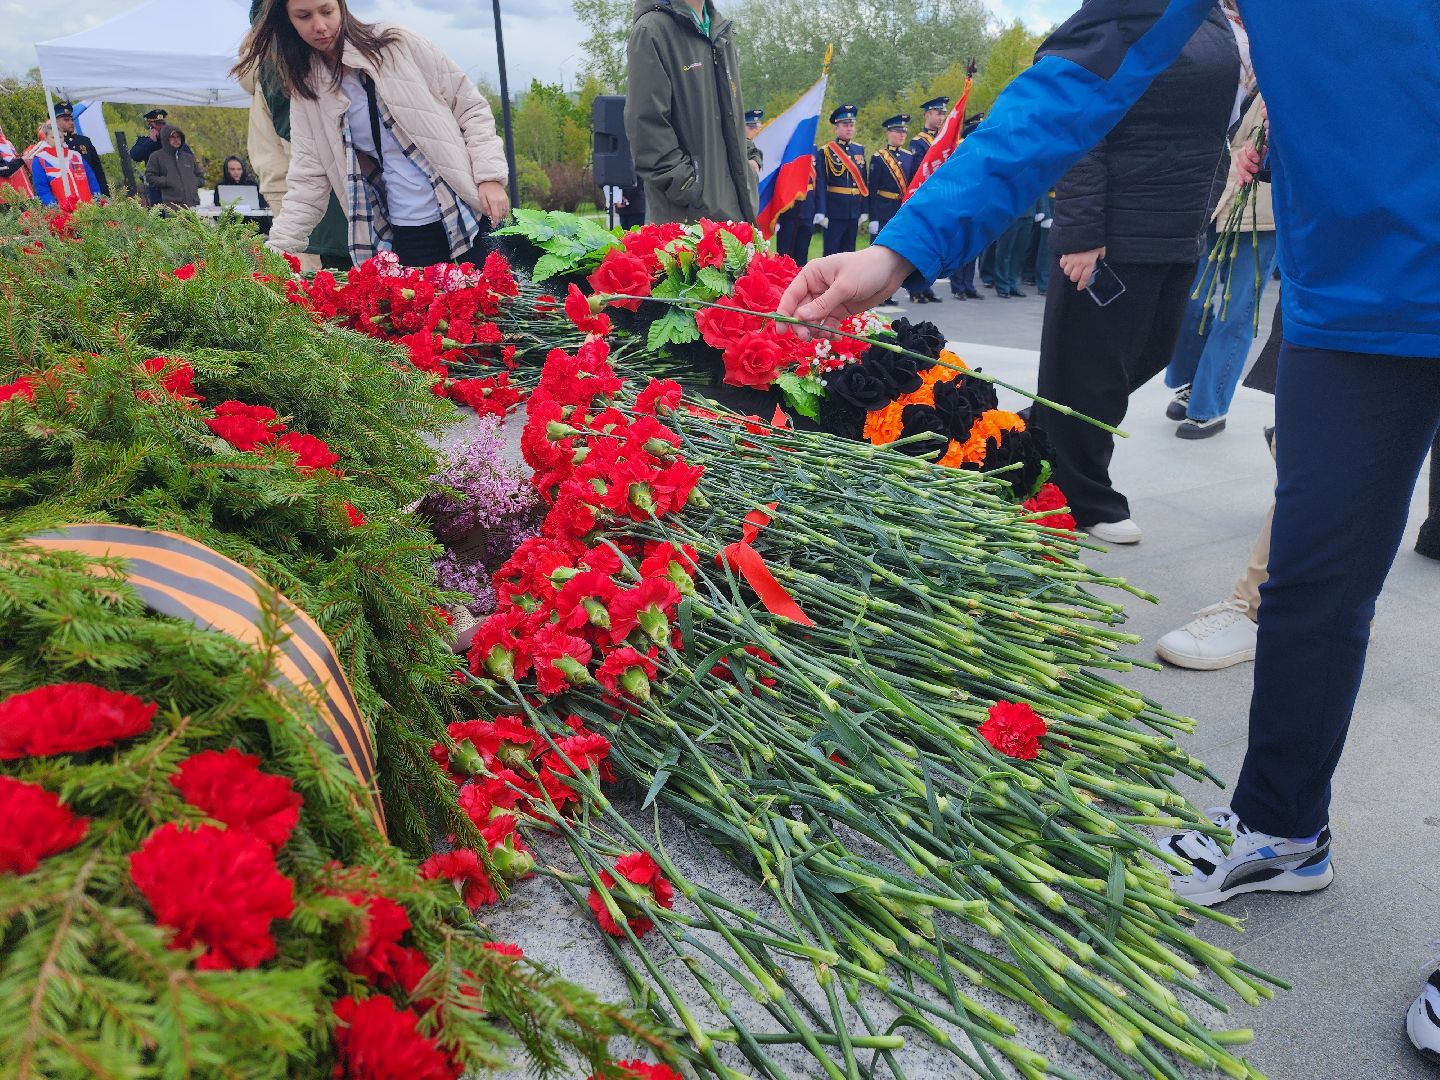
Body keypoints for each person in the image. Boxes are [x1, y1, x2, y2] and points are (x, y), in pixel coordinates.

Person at [777, 0, 1440, 1056]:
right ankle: (1278, 824)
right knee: (1312, 581)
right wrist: (903, 248)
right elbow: (1079, 76)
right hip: (1358, 296)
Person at [1033, 7, 1239, 542]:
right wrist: (1079, 231)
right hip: (1115, 232)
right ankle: (1084, 496)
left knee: (1151, 349)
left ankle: (1035, 442)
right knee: (1091, 368)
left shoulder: (1210, 16)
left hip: (1181, 224)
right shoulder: (1122, 9)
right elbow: (1076, 116)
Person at [238, 0, 510, 269]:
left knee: (488, 308)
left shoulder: (396, 44)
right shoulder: (307, 89)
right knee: (426, 311)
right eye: (304, 16)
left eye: (327, 11)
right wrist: (275, 254)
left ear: (341, 6)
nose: (319, 26)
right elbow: (308, 180)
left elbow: (471, 108)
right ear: (289, 21)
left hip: (466, 211)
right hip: (407, 226)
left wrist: (490, 178)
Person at [1164, 95, 1277, 439]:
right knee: (1191, 299)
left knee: (1237, 309)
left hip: (1263, 211)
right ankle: (1190, 380)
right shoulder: (1239, 61)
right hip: (1218, 196)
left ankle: (1209, 404)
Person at [624, 0, 756, 226]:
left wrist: (750, 159)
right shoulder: (652, 30)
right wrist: (690, 187)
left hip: (737, 215)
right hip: (688, 224)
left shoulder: (719, 29)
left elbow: (729, 115)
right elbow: (647, 129)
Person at [242, 0, 351, 271]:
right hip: (324, 211)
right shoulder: (284, 71)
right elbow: (310, 152)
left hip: (302, 205)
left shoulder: (275, 69)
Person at [866, 114, 914, 305]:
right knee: (878, 255)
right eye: (897, 131)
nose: (901, 135)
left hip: (899, 211)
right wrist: (873, 217)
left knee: (895, 256)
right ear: (889, 133)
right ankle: (872, 292)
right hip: (882, 209)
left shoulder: (909, 157)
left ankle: (887, 293)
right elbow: (872, 190)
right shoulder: (879, 158)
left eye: (904, 132)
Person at [907, 95, 947, 304]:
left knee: (933, 247)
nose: (941, 116)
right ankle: (915, 290)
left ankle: (927, 287)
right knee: (919, 246)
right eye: (937, 113)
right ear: (927, 114)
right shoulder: (918, 142)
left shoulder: (943, 139)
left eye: (943, 113)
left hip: (938, 199)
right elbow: (917, 173)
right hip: (924, 199)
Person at [813, 106, 867, 257]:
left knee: (850, 253)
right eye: (845, 125)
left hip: (854, 210)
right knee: (831, 253)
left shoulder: (859, 150)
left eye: (852, 125)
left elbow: (864, 182)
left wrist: (864, 209)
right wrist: (822, 211)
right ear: (836, 128)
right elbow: (822, 183)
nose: (849, 129)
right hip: (834, 211)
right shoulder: (826, 151)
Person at [29, 122, 101, 207]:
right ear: (46, 139)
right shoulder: (40, 160)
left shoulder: (75, 156)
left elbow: (92, 180)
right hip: (65, 214)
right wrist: (55, 210)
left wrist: (98, 201)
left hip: (89, 210)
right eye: (53, 137)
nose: (58, 140)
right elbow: (42, 190)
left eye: (60, 137)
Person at [55, 102, 109, 198]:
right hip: (71, 195)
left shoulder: (84, 141)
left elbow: (97, 170)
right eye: (66, 120)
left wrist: (105, 195)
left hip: (92, 191)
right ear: (56, 122)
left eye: (72, 119)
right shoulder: (55, 143)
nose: (71, 122)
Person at [145, 125, 207, 208]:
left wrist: (193, 182)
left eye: (178, 137)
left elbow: (201, 177)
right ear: (166, 138)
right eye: (172, 137)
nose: (176, 140)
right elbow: (150, 177)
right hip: (172, 207)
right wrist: (167, 181)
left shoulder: (188, 157)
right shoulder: (157, 156)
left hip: (193, 205)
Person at [773, 159, 815, 266]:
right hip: (788, 210)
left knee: (802, 253)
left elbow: (819, 182)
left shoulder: (814, 150)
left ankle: (801, 280)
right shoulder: (789, 147)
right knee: (785, 253)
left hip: (808, 210)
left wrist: (819, 210)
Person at [129, 108, 169, 205]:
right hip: (156, 187)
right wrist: (151, 141)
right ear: (151, 126)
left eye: (163, 124)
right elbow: (135, 155)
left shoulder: (173, 140)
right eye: (158, 124)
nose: (162, 127)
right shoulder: (144, 141)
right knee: (159, 216)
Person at [0, 124, 34, 200]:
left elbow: (15, 163)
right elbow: (3, 170)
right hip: (9, 200)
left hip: (25, 193)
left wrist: (26, 156)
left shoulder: (7, 143)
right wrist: (22, 160)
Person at [745, 107, 764, 180]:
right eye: (751, 127)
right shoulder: (745, 143)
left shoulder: (751, 144)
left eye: (756, 127)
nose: (755, 130)